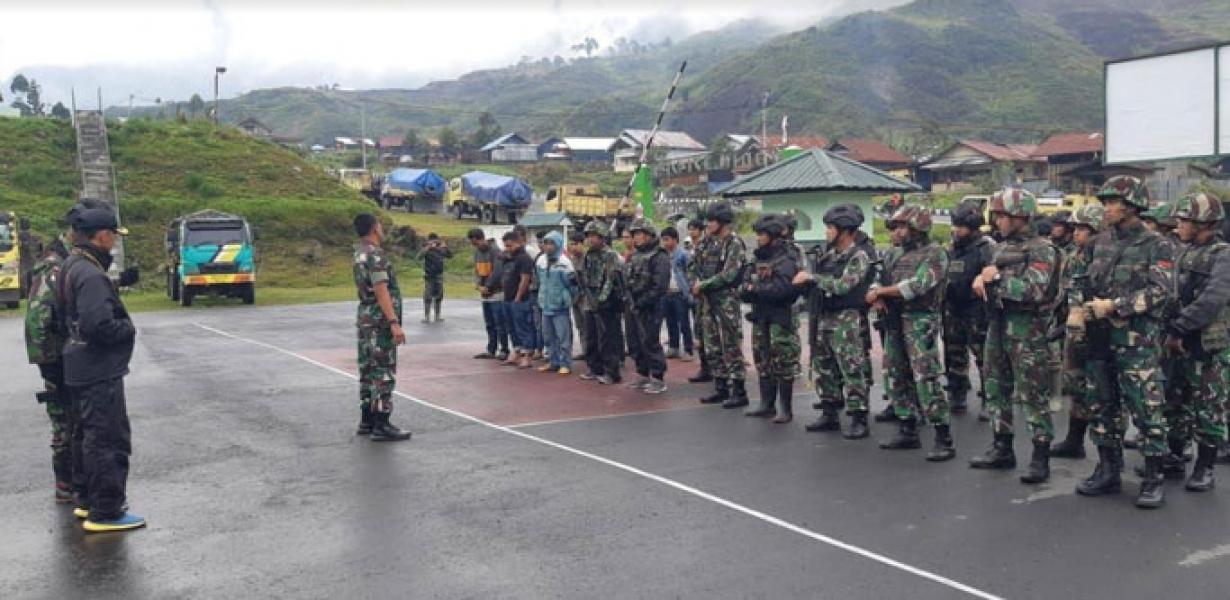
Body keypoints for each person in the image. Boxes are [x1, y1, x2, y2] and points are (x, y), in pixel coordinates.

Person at [1072, 176, 1173, 509]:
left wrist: (1116, 306)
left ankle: (1153, 477)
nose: (1106, 209)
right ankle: (1107, 469)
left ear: (1131, 206)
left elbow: (1160, 292)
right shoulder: (1098, 243)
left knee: (1146, 407)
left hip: (1136, 341)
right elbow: (1079, 277)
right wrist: (1076, 307)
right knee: (1102, 404)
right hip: (1099, 338)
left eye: (1111, 202)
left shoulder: (1157, 244)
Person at [60, 205, 145, 532]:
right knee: (107, 439)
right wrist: (127, 329)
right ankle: (106, 510)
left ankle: (86, 499)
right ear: (102, 235)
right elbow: (99, 325)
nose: (114, 241)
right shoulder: (91, 273)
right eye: (113, 235)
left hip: (79, 364)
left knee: (85, 435)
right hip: (98, 368)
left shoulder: (73, 266)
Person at [969, 189, 1061, 483]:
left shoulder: (1043, 249)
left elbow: (1035, 291)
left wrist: (995, 279)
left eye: (1003, 215)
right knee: (995, 387)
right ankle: (1002, 447)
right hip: (998, 325)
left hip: (1028, 330)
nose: (997, 220)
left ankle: (1040, 456)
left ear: (1021, 216)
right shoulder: (999, 248)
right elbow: (990, 279)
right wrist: (981, 281)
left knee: (1033, 394)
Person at [868, 204, 954, 462]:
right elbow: (878, 277)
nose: (896, 232)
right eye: (895, 227)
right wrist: (877, 293)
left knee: (925, 377)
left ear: (918, 228)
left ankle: (943, 437)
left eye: (902, 227)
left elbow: (918, 285)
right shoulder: (893, 255)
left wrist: (882, 292)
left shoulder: (936, 253)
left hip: (920, 321)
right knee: (894, 374)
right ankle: (907, 428)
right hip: (894, 319)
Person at [23, 203, 91, 503]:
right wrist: (50, 364)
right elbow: (37, 318)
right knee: (64, 420)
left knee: (77, 418)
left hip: (68, 354)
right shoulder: (54, 264)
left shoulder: (69, 261)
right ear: (76, 233)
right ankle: (66, 483)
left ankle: (75, 480)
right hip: (57, 358)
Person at [1164, 192, 1229, 492]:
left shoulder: (1222, 254)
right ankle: (1175, 457)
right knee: (1175, 401)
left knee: (1208, 406)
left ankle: (1205, 467)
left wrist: (1179, 327)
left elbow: (1212, 300)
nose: (1179, 224)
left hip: (1207, 344)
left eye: (1185, 219)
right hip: (1177, 340)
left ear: (1204, 223)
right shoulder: (1179, 251)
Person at [796, 204, 874, 437]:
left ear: (845, 231)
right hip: (825, 317)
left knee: (851, 368)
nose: (827, 232)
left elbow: (843, 286)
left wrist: (812, 278)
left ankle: (859, 417)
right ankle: (829, 412)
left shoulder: (858, 256)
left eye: (831, 228)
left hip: (846, 319)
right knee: (824, 367)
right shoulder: (829, 256)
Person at [1050, 203, 1105, 460]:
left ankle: (1110, 451)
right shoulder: (1073, 258)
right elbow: (1064, 293)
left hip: (1101, 332)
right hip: (1074, 332)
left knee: (1106, 390)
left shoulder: (1107, 258)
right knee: (1075, 385)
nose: (1076, 234)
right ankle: (1074, 441)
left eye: (1084, 229)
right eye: (1075, 228)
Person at [352, 213, 412, 443]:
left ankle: (366, 419)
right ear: (375, 228)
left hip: (365, 317)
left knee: (367, 369)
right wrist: (394, 322)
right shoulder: (376, 255)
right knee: (383, 370)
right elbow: (381, 289)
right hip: (379, 320)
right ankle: (382, 422)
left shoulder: (359, 253)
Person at [742, 215, 802, 423]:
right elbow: (744, 286)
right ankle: (766, 403)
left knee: (783, 361)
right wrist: (753, 290)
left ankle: (785, 408)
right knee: (762, 360)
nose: (758, 238)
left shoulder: (787, 258)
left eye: (762, 234)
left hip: (780, 317)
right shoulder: (757, 258)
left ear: (774, 236)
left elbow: (784, 290)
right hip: (761, 316)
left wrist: (756, 289)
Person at [690, 203, 749, 408]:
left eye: (713, 221)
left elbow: (730, 274)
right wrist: (694, 282)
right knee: (712, 345)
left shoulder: (734, 244)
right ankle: (720, 387)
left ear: (722, 221)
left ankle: (739, 390)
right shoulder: (706, 243)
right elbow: (693, 265)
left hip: (726, 302)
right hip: (707, 301)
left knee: (731, 345)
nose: (709, 224)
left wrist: (703, 284)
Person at [625, 218, 671, 394]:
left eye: (638, 234)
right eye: (634, 234)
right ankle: (642, 374)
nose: (635, 238)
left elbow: (659, 286)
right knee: (634, 341)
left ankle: (658, 378)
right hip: (633, 304)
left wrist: (643, 301)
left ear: (649, 235)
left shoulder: (659, 256)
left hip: (650, 306)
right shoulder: (635, 256)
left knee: (650, 341)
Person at [578, 221, 625, 385]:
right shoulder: (588, 255)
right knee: (590, 336)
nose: (590, 240)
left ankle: (612, 372)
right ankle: (594, 368)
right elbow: (583, 276)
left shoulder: (610, 255)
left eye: (593, 236)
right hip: (590, 299)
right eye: (588, 236)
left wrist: (601, 299)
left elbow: (611, 279)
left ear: (602, 237)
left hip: (606, 302)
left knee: (607, 338)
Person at [535, 231, 578, 375]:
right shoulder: (541, 261)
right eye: (546, 243)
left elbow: (572, 285)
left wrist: (567, 299)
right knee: (548, 336)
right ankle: (553, 361)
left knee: (563, 336)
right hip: (545, 304)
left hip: (559, 306)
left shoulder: (564, 262)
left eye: (551, 243)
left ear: (558, 244)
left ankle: (565, 363)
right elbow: (539, 280)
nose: (547, 246)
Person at [469, 228, 509, 360]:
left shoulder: (496, 251)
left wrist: (488, 286)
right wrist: (479, 286)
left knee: (500, 323)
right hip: (484, 294)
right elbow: (476, 270)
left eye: (477, 243)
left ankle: (504, 349)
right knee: (489, 323)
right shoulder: (477, 253)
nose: (476, 246)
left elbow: (497, 271)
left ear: (482, 239)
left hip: (497, 293)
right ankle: (491, 349)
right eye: (474, 244)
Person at [501, 230, 536, 369]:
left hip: (520, 299)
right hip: (507, 297)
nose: (508, 249)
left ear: (519, 242)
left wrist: (518, 297)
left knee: (523, 327)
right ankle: (516, 351)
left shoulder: (524, 258)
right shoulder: (508, 258)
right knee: (511, 327)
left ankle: (527, 356)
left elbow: (525, 279)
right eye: (506, 246)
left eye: (510, 245)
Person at [659, 227, 694, 361]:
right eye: (663, 240)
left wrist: (689, 290)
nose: (665, 242)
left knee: (684, 322)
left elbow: (690, 273)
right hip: (667, 293)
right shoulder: (662, 256)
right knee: (670, 321)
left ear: (675, 240)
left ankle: (688, 349)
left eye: (667, 239)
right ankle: (673, 347)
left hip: (680, 293)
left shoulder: (683, 255)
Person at [685, 219, 712, 383]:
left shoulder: (724, 246)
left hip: (713, 296)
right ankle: (705, 368)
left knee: (715, 336)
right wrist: (693, 284)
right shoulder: (697, 248)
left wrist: (703, 285)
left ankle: (718, 370)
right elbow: (691, 268)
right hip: (699, 297)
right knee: (700, 333)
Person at [418, 232, 452, 324]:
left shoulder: (440, 249)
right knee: (427, 296)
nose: (433, 242)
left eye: (435, 240)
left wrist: (445, 247)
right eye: (431, 241)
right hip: (429, 275)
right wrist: (427, 247)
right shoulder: (426, 248)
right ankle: (427, 316)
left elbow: (450, 255)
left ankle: (437, 316)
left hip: (439, 275)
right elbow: (419, 257)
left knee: (439, 296)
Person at [567, 230, 589, 360]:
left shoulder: (587, 258)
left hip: (586, 298)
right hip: (575, 298)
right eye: (571, 244)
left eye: (576, 244)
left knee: (589, 326)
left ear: (582, 244)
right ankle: (585, 350)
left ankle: (593, 352)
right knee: (580, 326)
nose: (573, 247)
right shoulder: (572, 260)